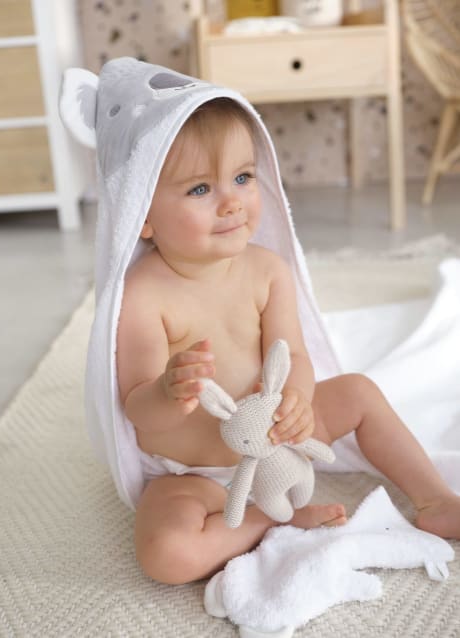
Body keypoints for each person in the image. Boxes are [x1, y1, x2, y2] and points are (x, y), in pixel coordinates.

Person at [115, 97, 460, 586]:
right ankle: (265, 520)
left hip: (281, 444)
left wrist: (296, 399)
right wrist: (168, 392)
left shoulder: (267, 271)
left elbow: (293, 354)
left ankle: (436, 500)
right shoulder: (144, 295)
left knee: (358, 391)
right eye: (200, 188)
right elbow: (137, 408)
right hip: (195, 474)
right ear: (142, 216)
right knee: (166, 555)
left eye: (243, 177)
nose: (232, 202)